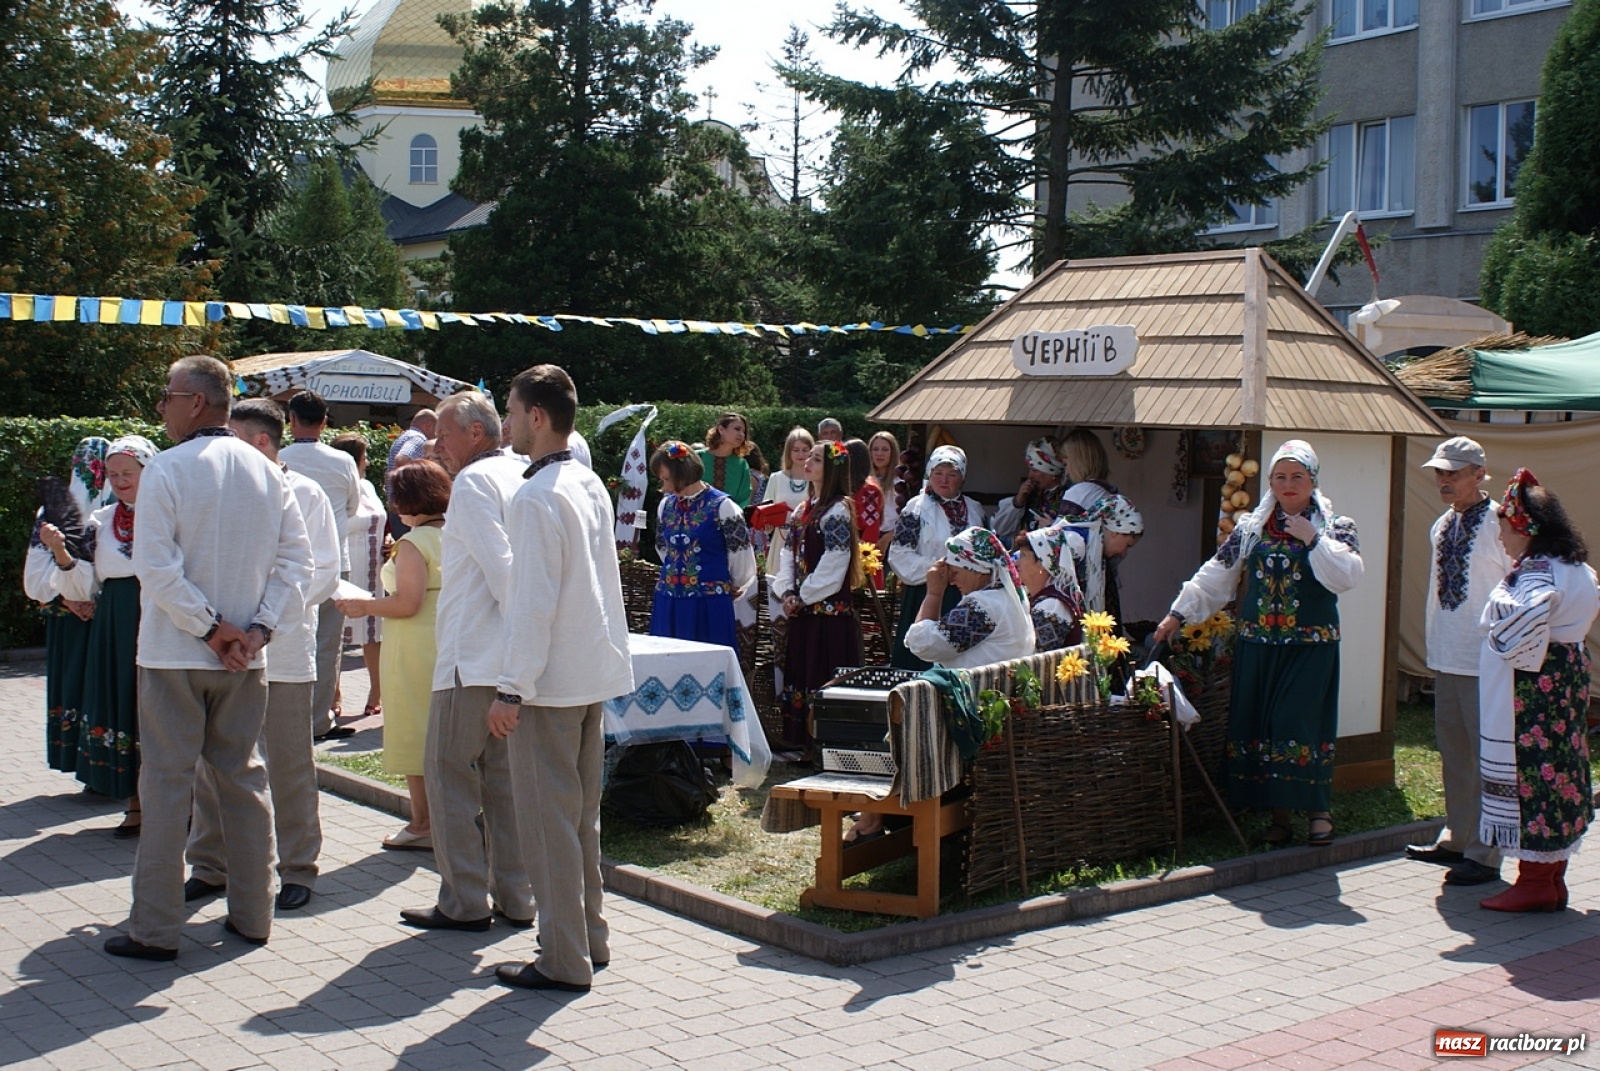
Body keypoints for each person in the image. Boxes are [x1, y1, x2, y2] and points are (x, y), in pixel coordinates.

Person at [104, 354, 312, 961]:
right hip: (242, 658)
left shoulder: (167, 469)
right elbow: (297, 564)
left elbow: (155, 567)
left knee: (167, 786)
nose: (161, 407)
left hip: (176, 654)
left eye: (167, 396)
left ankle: (154, 927)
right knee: (243, 780)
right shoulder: (268, 471)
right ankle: (254, 913)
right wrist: (256, 630)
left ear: (195, 401)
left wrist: (213, 629)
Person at [488, 364, 633, 993]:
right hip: (587, 673)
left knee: (550, 825)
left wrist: (510, 687)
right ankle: (588, 938)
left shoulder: (536, 495)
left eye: (511, 411)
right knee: (578, 821)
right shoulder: (587, 481)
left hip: (549, 683)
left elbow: (532, 602)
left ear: (537, 416)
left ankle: (564, 959)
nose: (507, 423)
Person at [1154, 440, 1362, 849]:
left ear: (1312, 481)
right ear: (1270, 482)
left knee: (1298, 723)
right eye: (1280, 477)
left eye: (1297, 477)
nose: (1288, 484)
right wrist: (1177, 613)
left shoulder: (1336, 526)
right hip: (1259, 645)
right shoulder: (1252, 527)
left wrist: (1313, 539)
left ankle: (1318, 812)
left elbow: (1348, 575)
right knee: (1264, 726)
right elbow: (1218, 573)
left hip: (1309, 647)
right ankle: (1278, 817)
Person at [187, 399, 340, 913]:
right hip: (224, 649)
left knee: (290, 765)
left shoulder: (307, 493)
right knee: (213, 764)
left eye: (230, 436)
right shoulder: (222, 489)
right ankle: (210, 864)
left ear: (259, 442)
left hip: (284, 655)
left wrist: (262, 623)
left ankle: (298, 867)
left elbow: (321, 572)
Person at [399, 392, 535, 933]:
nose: (436, 446)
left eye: (444, 434)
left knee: (448, 778)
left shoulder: (477, 482)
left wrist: (515, 650)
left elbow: (504, 572)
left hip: (473, 660)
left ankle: (464, 901)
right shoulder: (521, 474)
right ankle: (516, 896)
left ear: (476, 433)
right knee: (503, 786)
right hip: (504, 664)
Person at [1475, 469, 1598, 913]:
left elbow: (1520, 624)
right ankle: (1551, 878)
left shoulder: (1537, 571)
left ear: (1527, 529)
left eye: (1505, 530)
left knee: (1533, 771)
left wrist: (1500, 631)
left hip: (1533, 688)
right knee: (1561, 767)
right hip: (1566, 677)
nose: (1501, 539)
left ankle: (1535, 881)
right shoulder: (1577, 568)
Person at [1405, 437, 1513, 887]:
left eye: (1453, 472)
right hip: (1448, 654)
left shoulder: (1500, 524)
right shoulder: (1442, 524)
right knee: (1454, 754)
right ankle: (1457, 837)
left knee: (1489, 758)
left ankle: (1486, 854)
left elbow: (1519, 582)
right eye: (1440, 472)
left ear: (1479, 474)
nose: (1444, 480)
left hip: (1486, 656)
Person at [44, 436, 157, 834]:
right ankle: (135, 803)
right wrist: (60, 552)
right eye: (113, 474)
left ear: (149, 471)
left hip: (159, 612)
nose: (120, 481)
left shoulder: (172, 513)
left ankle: (185, 806)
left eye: (128, 473)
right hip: (117, 620)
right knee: (123, 702)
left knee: (160, 708)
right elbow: (84, 584)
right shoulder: (101, 520)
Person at [335, 460, 449, 852]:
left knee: (413, 731)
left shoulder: (414, 543)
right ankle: (439, 819)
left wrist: (363, 606)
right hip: (444, 639)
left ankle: (422, 823)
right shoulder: (453, 534)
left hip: (414, 645)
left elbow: (407, 602)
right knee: (438, 730)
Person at [26, 436, 113, 785]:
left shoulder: (112, 508)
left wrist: (69, 599)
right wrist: (73, 598)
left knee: (85, 689)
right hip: (95, 618)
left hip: (82, 617)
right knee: (90, 690)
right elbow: (37, 571)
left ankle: (95, 771)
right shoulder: (112, 507)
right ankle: (97, 772)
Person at [281, 390, 362, 740]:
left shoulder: (278, 458)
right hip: (333, 562)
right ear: (325, 422)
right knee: (327, 646)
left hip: (287, 561)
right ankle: (317, 720)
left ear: (291, 420)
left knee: (284, 641)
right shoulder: (342, 461)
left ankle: (285, 718)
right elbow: (353, 507)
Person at [772, 440, 864, 750]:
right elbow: (788, 554)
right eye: (808, 457)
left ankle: (826, 742)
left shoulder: (838, 510)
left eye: (817, 459)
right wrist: (787, 591)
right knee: (803, 672)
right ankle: (802, 741)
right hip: (805, 612)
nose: (807, 462)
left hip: (828, 617)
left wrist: (802, 596)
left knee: (823, 672)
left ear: (833, 468)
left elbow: (835, 563)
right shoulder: (803, 509)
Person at [648, 441, 755, 651]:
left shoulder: (724, 507)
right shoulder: (665, 506)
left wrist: (732, 583)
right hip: (669, 601)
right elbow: (663, 548)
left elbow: (741, 554)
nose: (665, 487)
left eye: (667, 479)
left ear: (683, 473)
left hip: (709, 606)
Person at [887, 445, 984, 670]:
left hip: (966, 595)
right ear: (929, 474)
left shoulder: (974, 509)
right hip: (926, 592)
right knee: (923, 656)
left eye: (952, 474)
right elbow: (899, 555)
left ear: (962, 478)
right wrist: (939, 568)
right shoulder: (916, 508)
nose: (944, 480)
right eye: (938, 473)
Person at [904, 526, 1037, 670]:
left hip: (984, 684)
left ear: (977, 570)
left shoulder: (983, 606)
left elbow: (924, 644)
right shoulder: (1009, 596)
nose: (951, 582)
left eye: (955, 572)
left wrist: (934, 594)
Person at [329, 432, 385, 721]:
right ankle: (333, 694)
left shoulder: (369, 487)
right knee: (336, 634)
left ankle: (376, 693)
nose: (367, 462)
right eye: (364, 457)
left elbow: (380, 520)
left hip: (374, 568)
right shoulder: (335, 486)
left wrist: (387, 541)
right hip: (347, 564)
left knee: (373, 634)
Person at [1059, 493, 1144, 621]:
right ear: (1116, 532)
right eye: (1127, 545)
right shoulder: (1074, 543)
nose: (1123, 553)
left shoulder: (1096, 554)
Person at [1017, 523, 1086, 652]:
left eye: (1023, 556)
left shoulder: (1052, 606)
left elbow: (1036, 656)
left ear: (1043, 564)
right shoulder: (1040, 598)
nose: (1016, 563)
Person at [992, 438, 1068, 544]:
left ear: (1052, 473)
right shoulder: (1030, 494)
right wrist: (1018, 502)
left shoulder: (1067, 498)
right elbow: (1001, 530)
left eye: (1035, 470)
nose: (1030, 476)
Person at [385, 409, 436, 538]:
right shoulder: (418, 439)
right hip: (407, 507)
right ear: (429, 425)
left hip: (397, 504)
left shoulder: (404, 436)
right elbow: (401, 459)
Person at [694, 411, 754, 510]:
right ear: (721, 429)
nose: (742, 434)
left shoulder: (741, 465)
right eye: (737, 429)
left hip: (729, 517)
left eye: (744, 432)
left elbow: (743, 499)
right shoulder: (697, 457)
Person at [1059, 428, 1116, 516]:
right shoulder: (1108, 492)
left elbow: (1063, 525)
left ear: (1077, 462)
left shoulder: (1078, 493)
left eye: (1066, 464)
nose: (1067, 473)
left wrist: (1049, 524)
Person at [762, 426, 815, 512]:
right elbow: (766, 509)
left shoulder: (816, 479)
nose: (800, 454)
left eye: (805, 450)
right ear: (789, 452)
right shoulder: (776, 478)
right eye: (796, 450)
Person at [866, 430, 901, 548]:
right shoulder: (865, 481)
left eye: (885, 450)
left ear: (893, 453)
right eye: (875, 449)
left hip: (893, 540)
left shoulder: (899, 483)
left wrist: (886, 539)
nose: (879, 453)